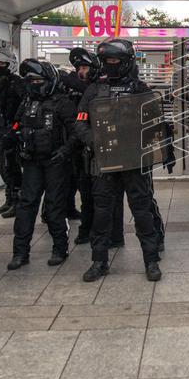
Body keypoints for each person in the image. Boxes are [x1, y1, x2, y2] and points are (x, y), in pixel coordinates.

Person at [75, 38, 164, 282]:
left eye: (116, 61)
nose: (111, 65)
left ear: (126, 62)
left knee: (142, 212)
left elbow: (155, 121)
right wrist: (93, 140)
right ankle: (99, 261)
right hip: (105, 161)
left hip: (134, 161)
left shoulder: (140, 88)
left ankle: (151, 260)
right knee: (101, 213)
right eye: (107, 61)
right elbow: (80, 121)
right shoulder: (94, 89)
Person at [6, 59, 75, 269]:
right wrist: (13, 137)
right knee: (26, 206)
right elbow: (16, 124)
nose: (34, 84)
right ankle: (20, 252)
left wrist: (65, 151)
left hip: (55, 161)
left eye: (38, 80)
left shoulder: (63, 103)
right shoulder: (28, 102)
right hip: (31, 161)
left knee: (54, 207)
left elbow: (75, 131)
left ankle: (59, 248)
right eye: (31, 80)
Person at [61, 48, 122, 246]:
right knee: (86, 193)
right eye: (79, 67)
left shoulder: (100, 87)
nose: (81, 71)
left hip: (106, 149)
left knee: (110, 196)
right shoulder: (76, 89)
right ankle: (86, 229)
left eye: (85, 67)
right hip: (81, 147)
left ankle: (113, 235)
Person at [0, 50, 26, 219]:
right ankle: (10, 198)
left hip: (14, 131)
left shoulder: (17, 84)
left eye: (1, 64)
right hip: (2, 130)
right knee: (5, 167)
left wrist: (16, 128)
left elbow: (21, 108)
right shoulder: (0, 84)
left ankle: (17, 201)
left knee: (12, 166)